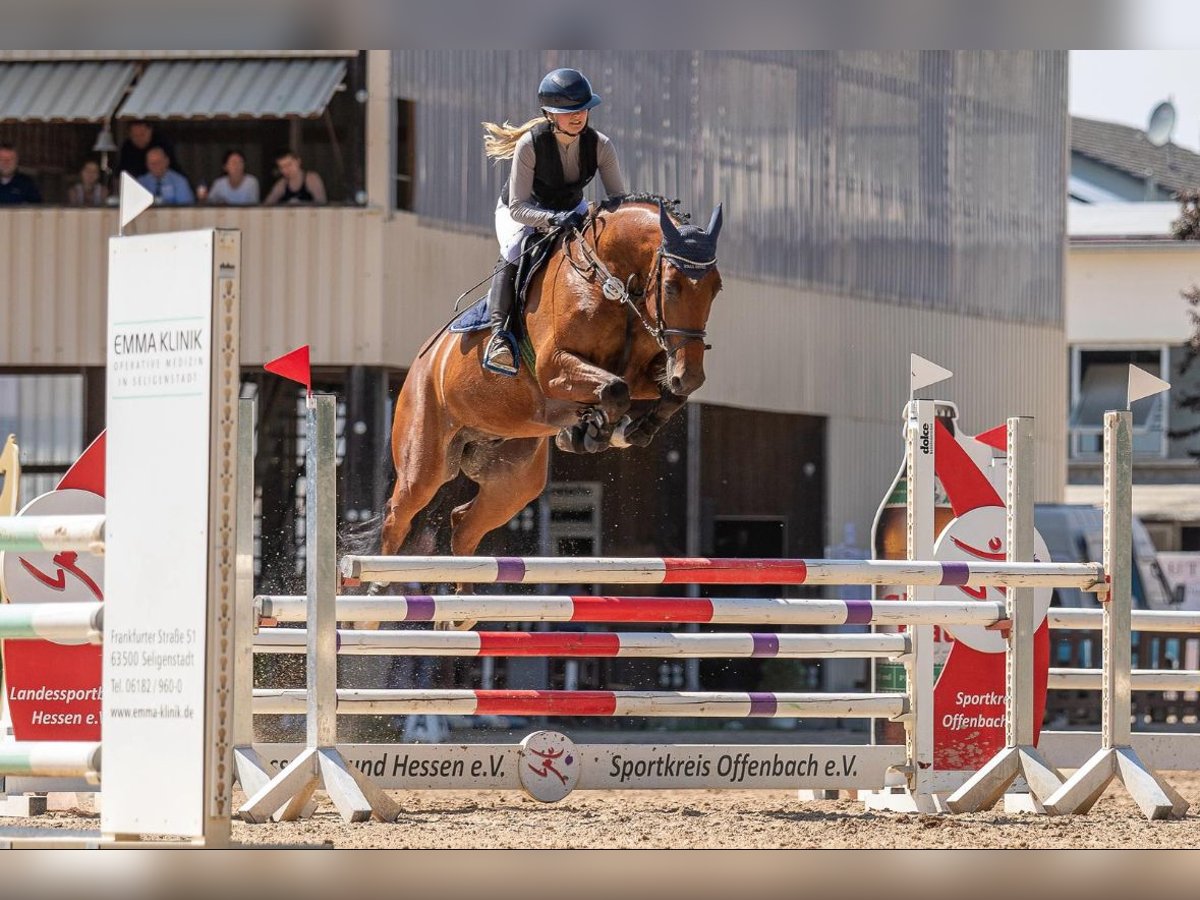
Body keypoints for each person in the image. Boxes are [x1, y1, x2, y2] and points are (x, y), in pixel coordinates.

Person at [479, 67, 626, 374]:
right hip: (522, 211)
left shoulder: (601, 145)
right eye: (569, 111)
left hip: (570, 209)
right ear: (549, 113)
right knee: (515, 249)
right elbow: (519, 207)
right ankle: (499, 337)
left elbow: (618, 203)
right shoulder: (530, 145)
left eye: (583, 109)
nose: (578, 116)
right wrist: (554, 220)